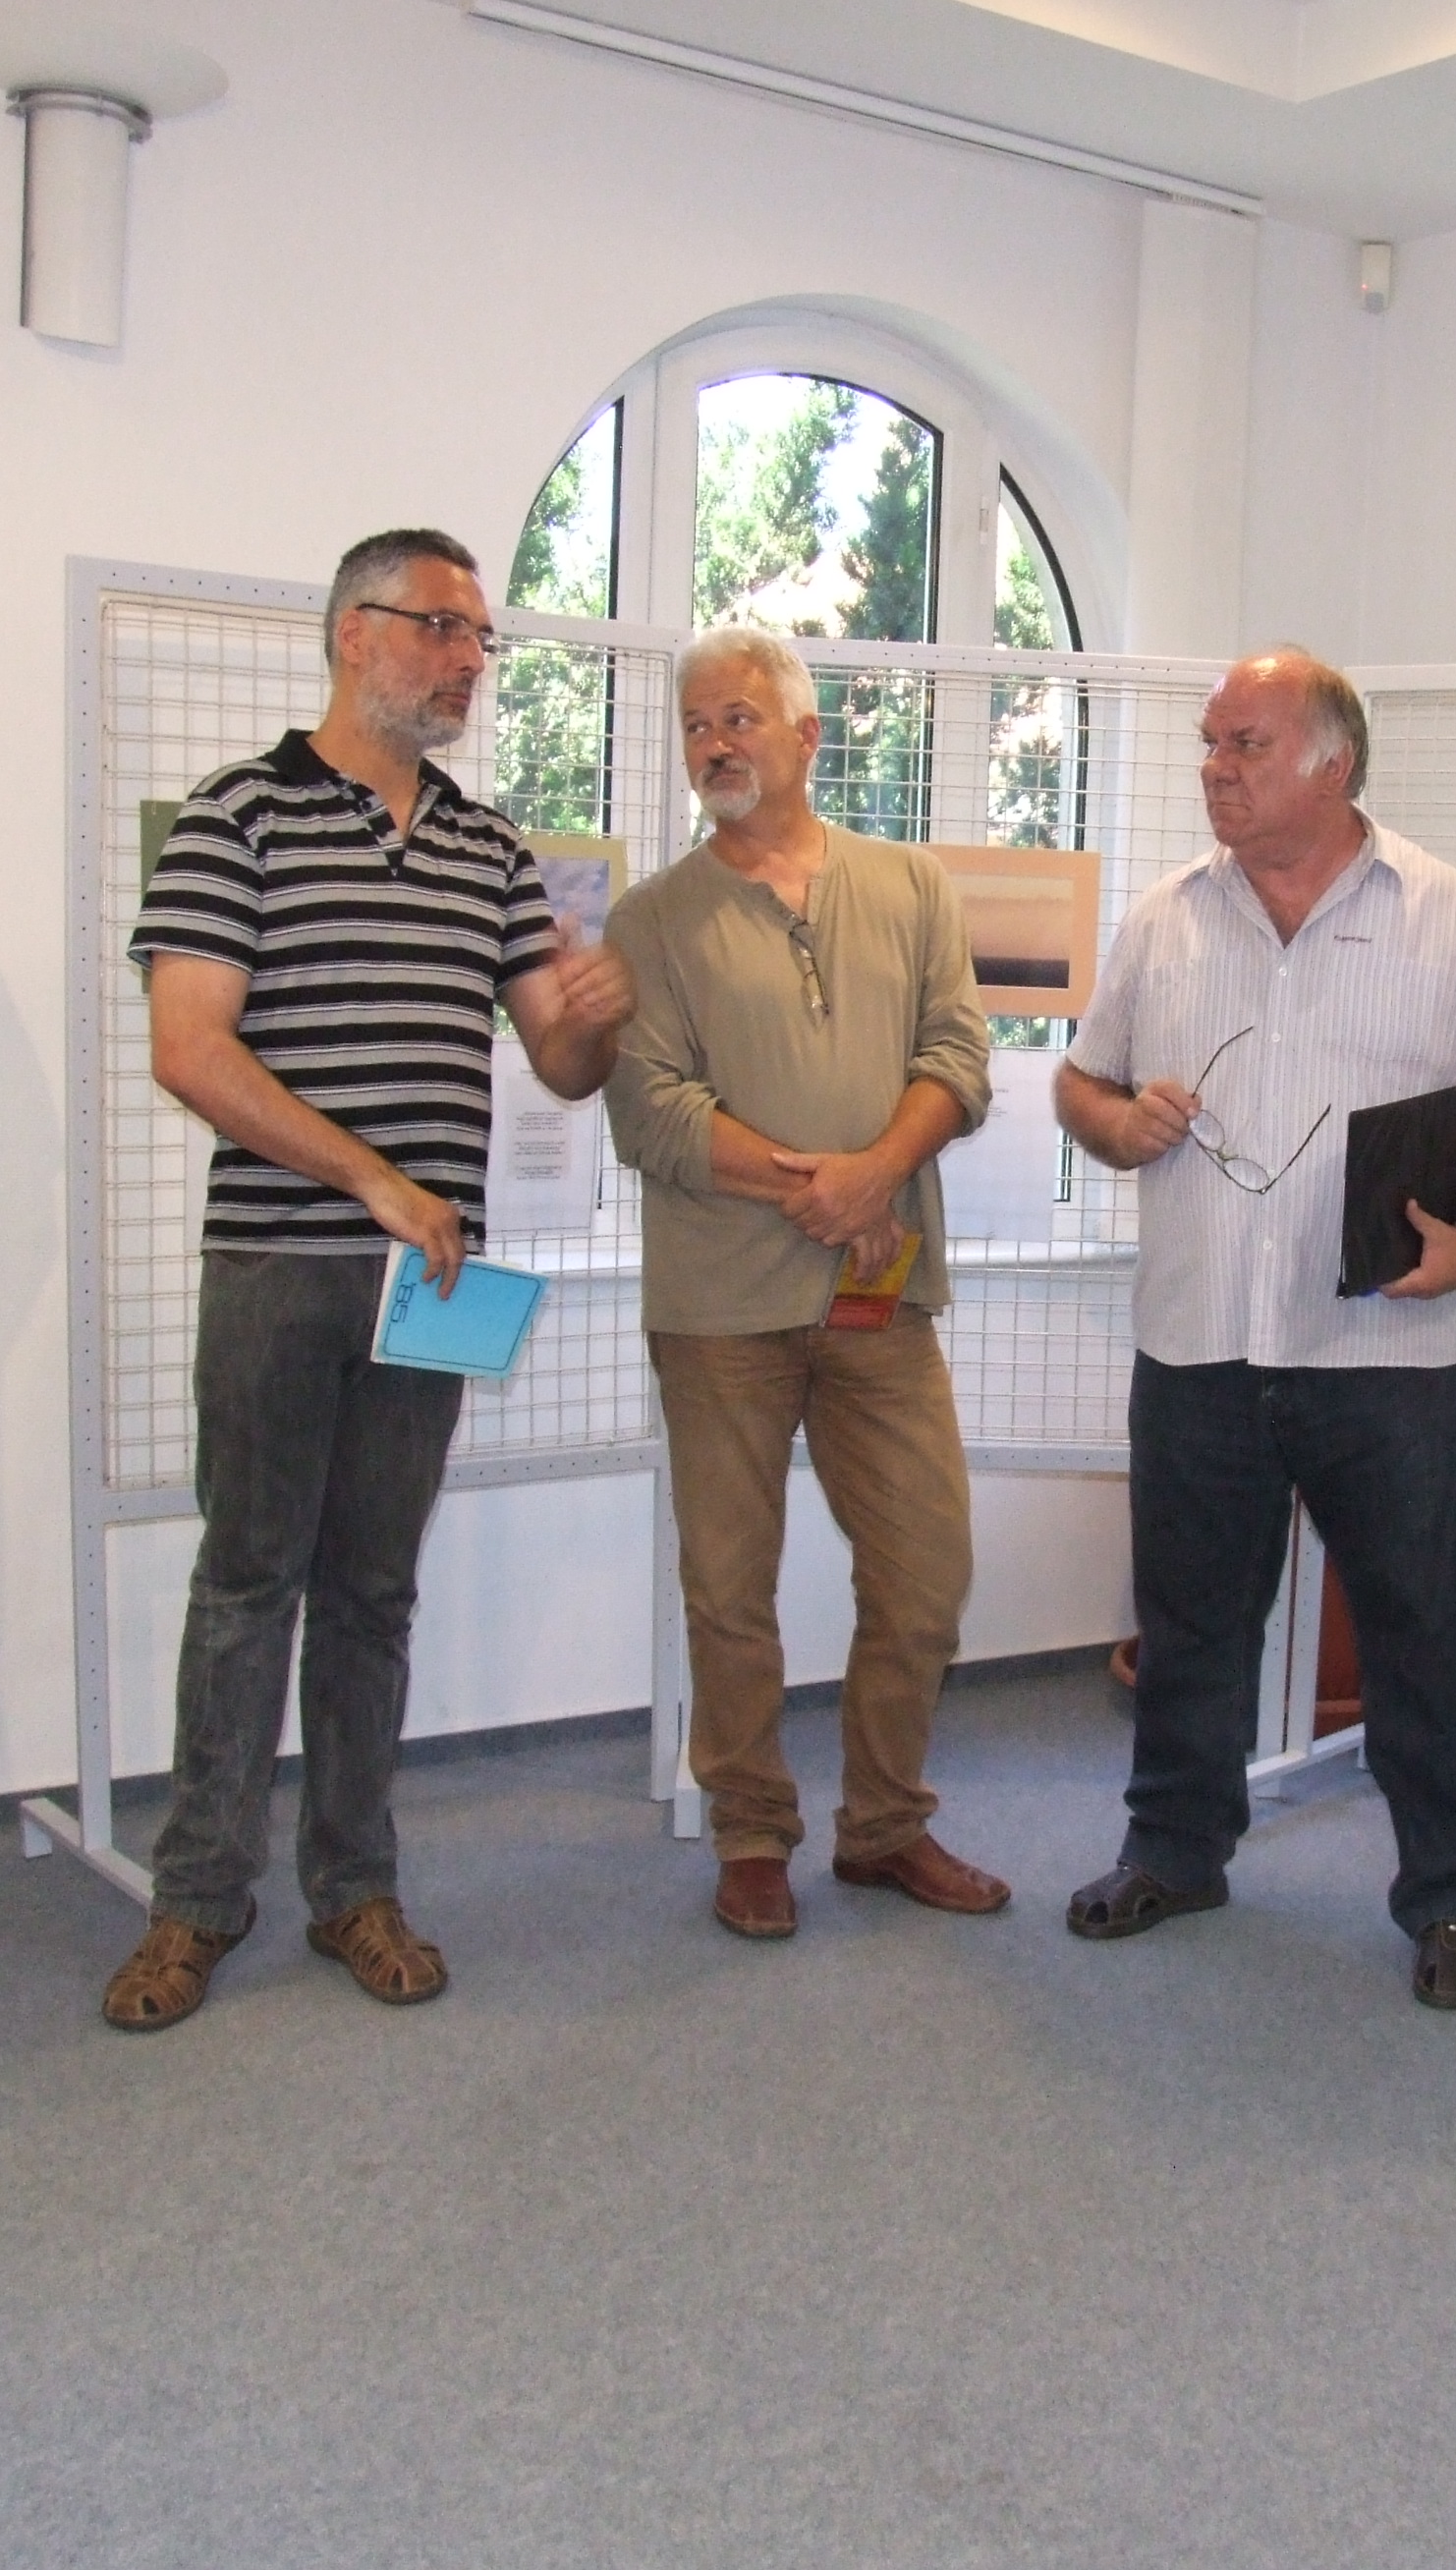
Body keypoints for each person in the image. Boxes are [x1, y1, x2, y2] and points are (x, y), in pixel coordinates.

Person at [101, 529, 632, 2030]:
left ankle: (354, 1889)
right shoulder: (238, 816)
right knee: (246, 1582)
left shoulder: (488, 846)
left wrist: (595, 1012)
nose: (470, 661)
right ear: (355, 633)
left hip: (435, 1284)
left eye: (480, 638)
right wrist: (373, 1181)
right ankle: (196, 1902)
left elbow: (563, 1065)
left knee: (374, 1592)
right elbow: (189, 1050)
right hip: (280, 1260)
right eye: (443, 629)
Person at [1055, 647, 1456, 2008]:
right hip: (1199, 1346)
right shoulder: (1166, 917)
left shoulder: (1442, 914)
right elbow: (1079, 1086)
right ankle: (1175, 1852)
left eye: (1247, 744)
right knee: (1189, 1626)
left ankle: (1451, 1898)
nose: (1216, 768)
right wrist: (1118, 1124)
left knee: (1422, 1637)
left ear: (1333, 765)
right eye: (1210, 743)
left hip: (1380, 1357)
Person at [602, 627, 1004, 1939]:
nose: (715, 743)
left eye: (738, 717)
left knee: (927, 1573)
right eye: (696, 724)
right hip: (719, 1309)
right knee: (730, 1588)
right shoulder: (652, 919)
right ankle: (752, 1832)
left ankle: (884, 1827)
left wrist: (875, 1174)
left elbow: (958, 1056)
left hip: (881, 1293)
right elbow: (652, 1109)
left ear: (806, 735)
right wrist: (815, 1187)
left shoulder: (909, 883)